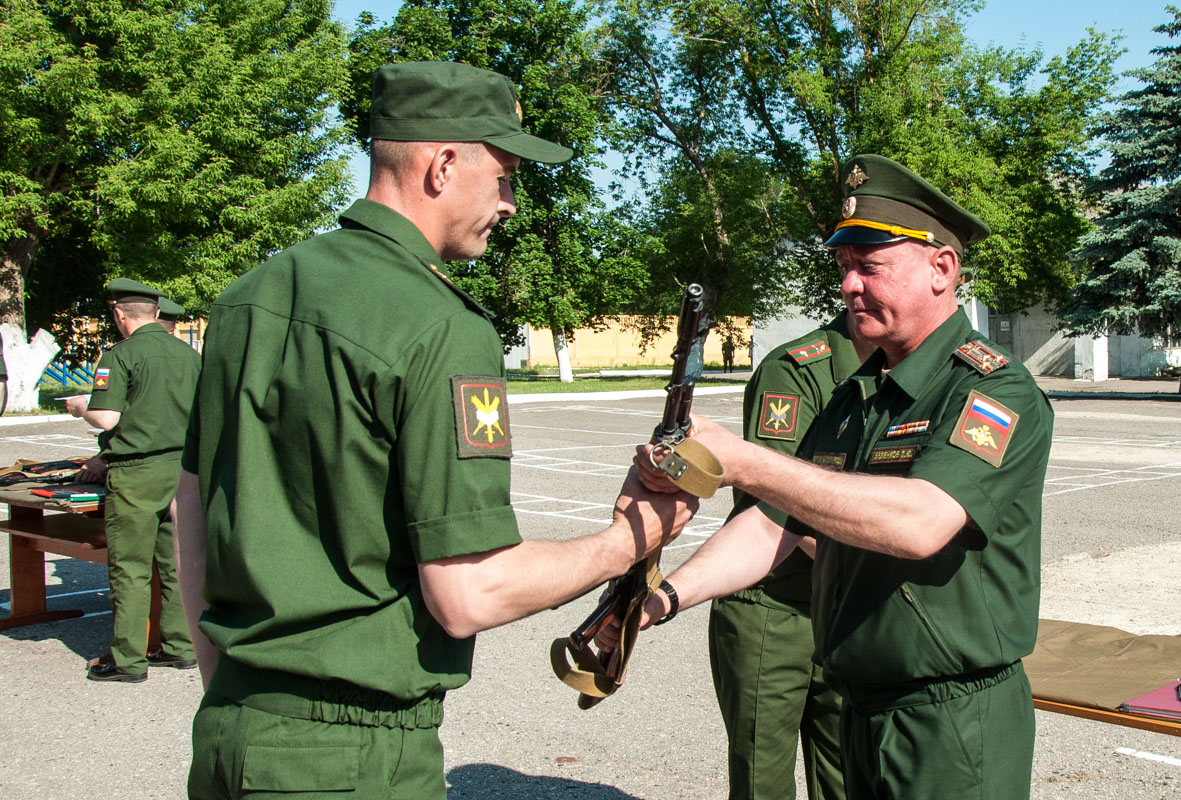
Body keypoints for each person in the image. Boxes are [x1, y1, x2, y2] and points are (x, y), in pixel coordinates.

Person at [173, 61, 696, 800]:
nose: (509, 203)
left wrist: (229, 686)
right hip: (354, 757)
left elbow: (190, 507)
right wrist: (632, 538)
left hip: (230, 727)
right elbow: (470, 592)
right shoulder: (440, 324)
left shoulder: (246, 298)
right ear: (444, 164)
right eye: (505, 176)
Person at [628, 155, 1054, 800]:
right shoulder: (858, 395)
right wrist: (658, 602)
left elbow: (920, 523)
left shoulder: (991, 389)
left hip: (949, 720)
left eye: (870, 266)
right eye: (843, 266)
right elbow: (775, 524)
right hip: (862, 706)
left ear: (942, 269)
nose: (850, 285)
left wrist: (745, 460)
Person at [710, 311, 868, 800]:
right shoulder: (795, 371)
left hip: (845, 611)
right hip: (775, 611)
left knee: (848, 777)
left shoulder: (900, 368)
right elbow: (778, 504)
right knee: (763, 782)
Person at [65, 278, 201, 682]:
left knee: (130, 567)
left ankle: (127, 659)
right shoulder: (188, 355)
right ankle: (180, 646)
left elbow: (107, 418)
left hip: (136, 472)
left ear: (118, 314)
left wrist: (81, 407)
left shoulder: (119, 355)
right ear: (157, 313)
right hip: (181, 469)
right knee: (175, 564)